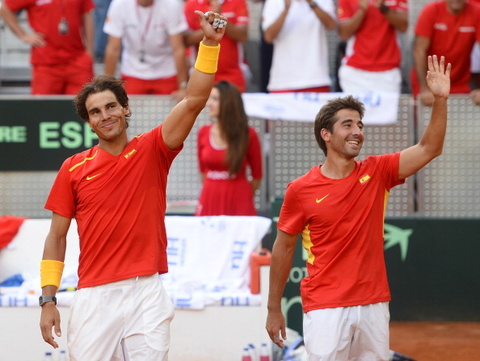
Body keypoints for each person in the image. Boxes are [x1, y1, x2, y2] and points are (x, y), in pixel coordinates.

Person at [38, 11, 227, 360]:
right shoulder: (73, 168)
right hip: (94, 296)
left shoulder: (154, 148)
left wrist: (209, 44)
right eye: (95, 112)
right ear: (89, 122)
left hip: (146, 293)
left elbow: (195, 100)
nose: (105, 115)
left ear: (126, 108)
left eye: (111, 106)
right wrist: (48, 299)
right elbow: (57, 237)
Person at [265, 55, 451, 360]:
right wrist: (274, 310)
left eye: (360, 125)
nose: (357, 131)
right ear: (326, 135)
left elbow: (430, 148)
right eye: (347, 124)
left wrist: (441, 99)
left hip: (374, 304)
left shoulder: (378, 171)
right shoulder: (299, 190)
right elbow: (282, 250)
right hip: (326, 307)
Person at [195, 80, 263, 216]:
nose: (209, 104)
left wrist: (242, 196)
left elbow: (257, 175)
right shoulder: (203, 132)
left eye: (215, 99)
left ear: (228, 103)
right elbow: (203, 171)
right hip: (209, 198)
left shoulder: (249, 134)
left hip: (239, 199)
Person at [0, 0, 94, 95]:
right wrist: (23, 35)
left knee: (83, 106)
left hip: (78, 60)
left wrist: (89, 52)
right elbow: (4, 9)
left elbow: (86, 15)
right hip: (46, 63)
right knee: (44, 107)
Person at [103, 0, 189, 101]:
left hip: (166, 71)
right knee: (127, 111)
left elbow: (178, 49)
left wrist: (183, 86)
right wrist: (107, 87)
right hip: (133, 71)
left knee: (172, 113)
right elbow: (113, 49)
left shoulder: (171, 4)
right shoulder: (119, 4)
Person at [411, 0, 480, 106]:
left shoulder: (476, 13)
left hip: (458, 83)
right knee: (427, 121)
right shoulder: (431, 11)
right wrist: (424, 88)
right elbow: (419, 50)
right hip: (430, 82)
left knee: (458, 121)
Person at [261, 0, 336, 93]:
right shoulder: (273, 2)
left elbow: (331, 25)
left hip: (316, 79)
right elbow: (268, 37)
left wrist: (311, 3)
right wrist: (286, 10)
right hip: (282, 81)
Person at [337, 0, 408, 94]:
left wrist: (384, 8)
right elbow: (343, 34)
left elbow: (404, 26)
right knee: (354, 108)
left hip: (388, 71)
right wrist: (362, 11)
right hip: (355, 70)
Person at [184, 0, 249, 92]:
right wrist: (210, 25)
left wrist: (219, 18)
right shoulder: (191, 4)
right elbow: (186, 41)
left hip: (232, 76)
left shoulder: (237, 1)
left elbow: (243, 36)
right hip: (202, 74)